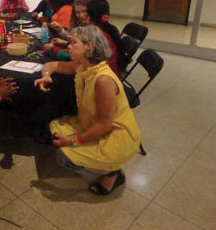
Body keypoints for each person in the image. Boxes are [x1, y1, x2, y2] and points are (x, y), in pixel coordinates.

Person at [34, 25, 140, 195]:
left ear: (88, 46)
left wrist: (72, 141)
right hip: (92, 123)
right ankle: (103, 167)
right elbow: (52, 64)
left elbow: (105, 125)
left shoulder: (103, 79)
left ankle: (112, 172)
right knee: (54, 127)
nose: (68, 46)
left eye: (73, 42)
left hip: (114, 134)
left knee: (63, 157)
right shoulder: (83, 65)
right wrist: (46, 75)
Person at [87, 0, 126, 77]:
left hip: (103, 79)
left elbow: (81, 61)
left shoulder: (94, 35)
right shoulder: (112, 29)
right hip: (113, 74)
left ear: (89, 16)